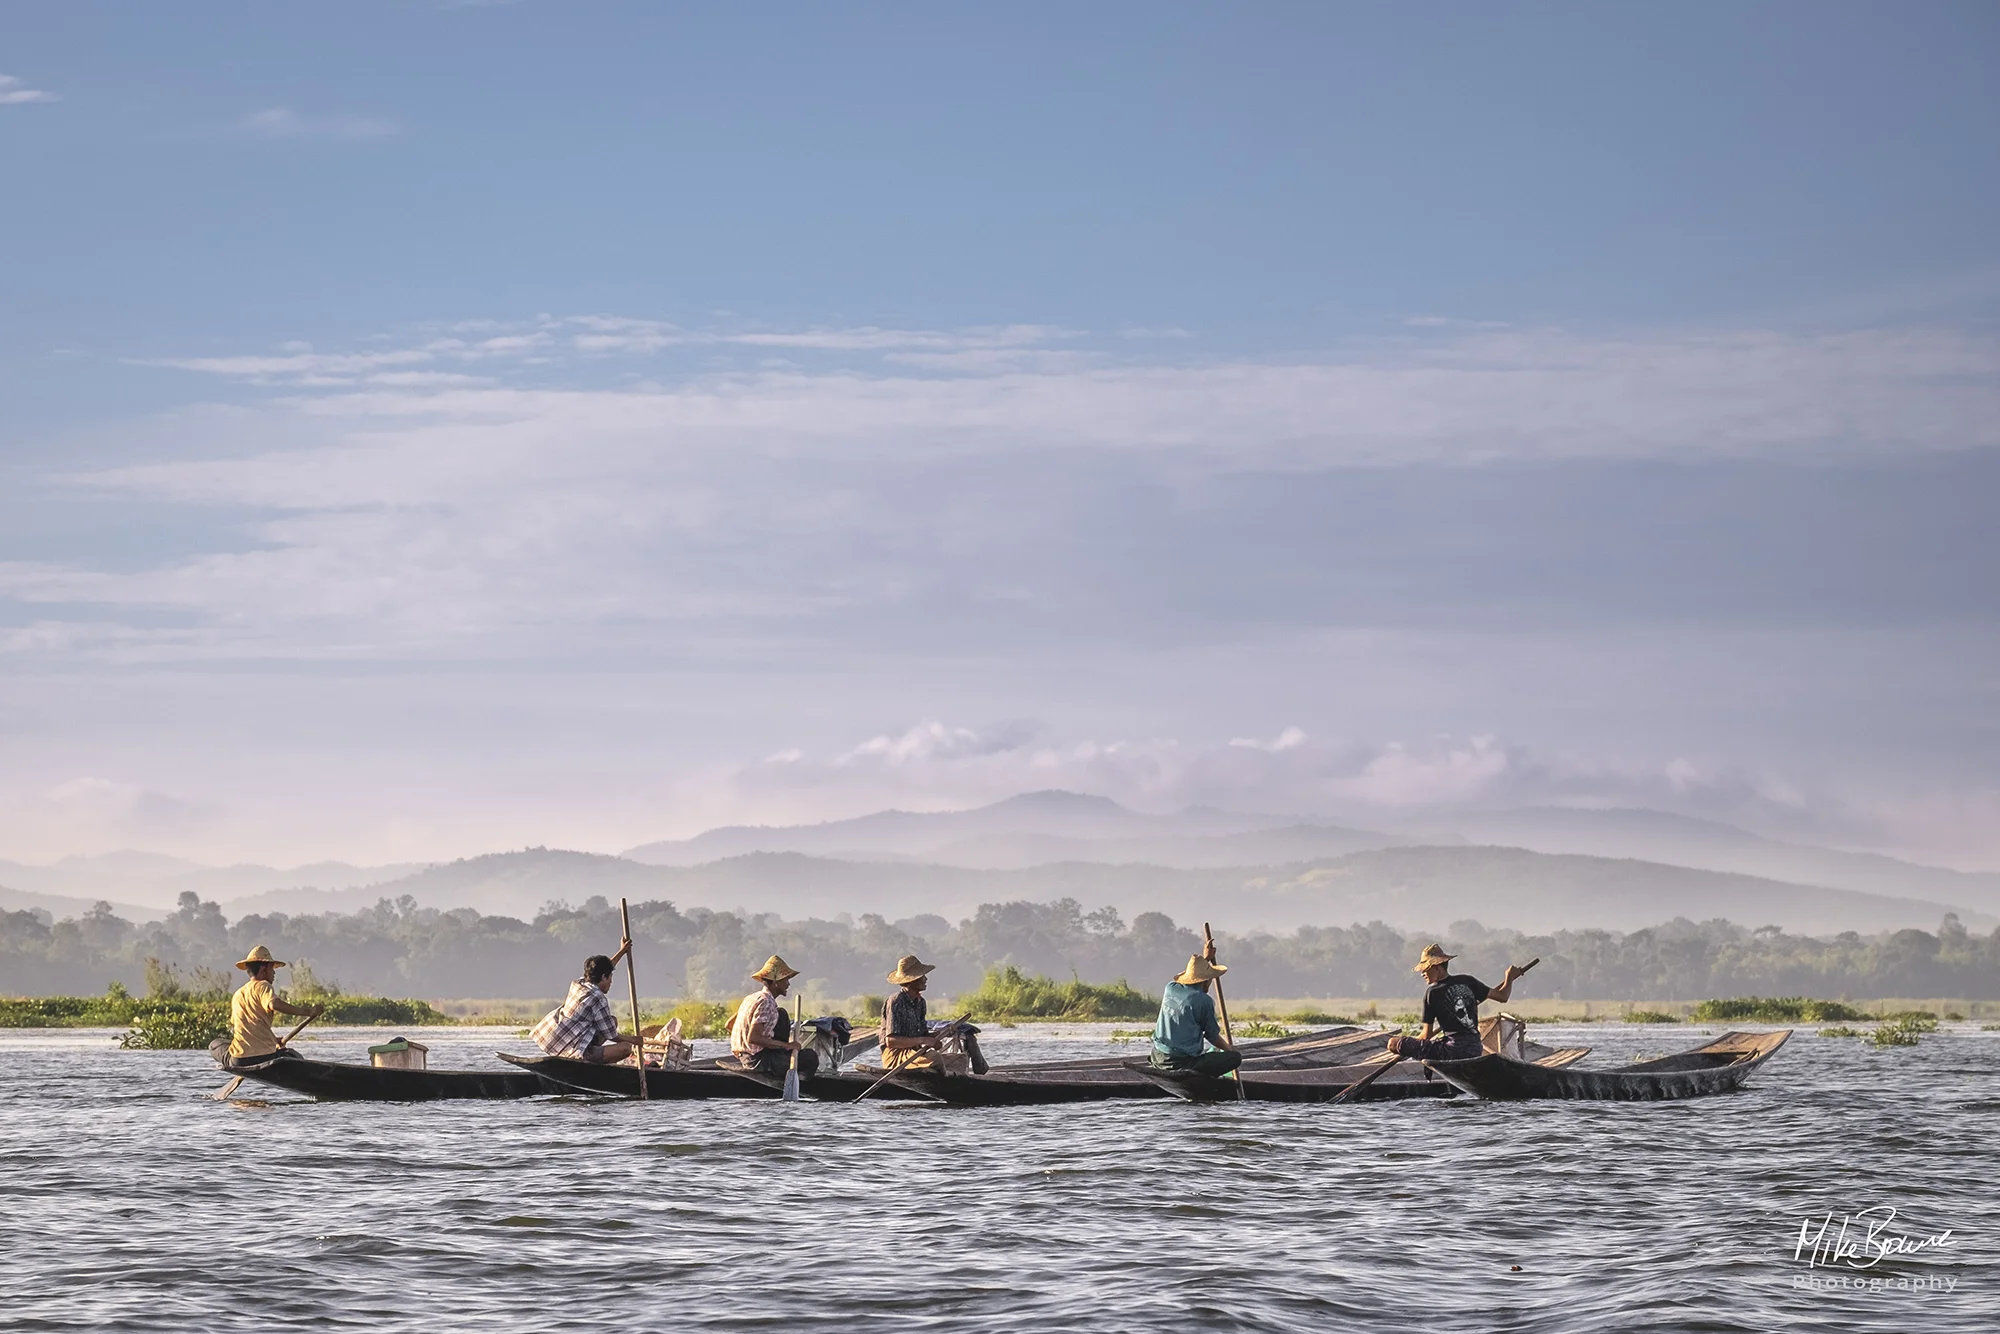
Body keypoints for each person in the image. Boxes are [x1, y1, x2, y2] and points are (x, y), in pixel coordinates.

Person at [1386, 943, 1527, 1062]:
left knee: (1392, 1043)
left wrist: (1410, 1048)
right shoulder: (1468, 981)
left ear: (1438, 968)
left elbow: (1425, 1036)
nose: (1423, 973)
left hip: (1452, 1050)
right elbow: (1503, 996)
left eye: (1426, 969)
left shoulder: (1432, 993)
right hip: (1475, 1048)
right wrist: (1509, 977)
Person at [530, 940, 641, 1063]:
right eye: (610, 978)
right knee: (626, 1048)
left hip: (550, 1039)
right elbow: (612, 1036)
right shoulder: (598, 998)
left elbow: (604, 968)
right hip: (569, 1047)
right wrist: (635, 1040)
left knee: (612, 1021)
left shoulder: (579, 983)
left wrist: (622, 951)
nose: (611, 982)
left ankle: (587, 1056)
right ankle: (583, 1060)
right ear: (604, 977)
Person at [879, 954, 979, 1075]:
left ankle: (943, 1082)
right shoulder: (896, 1001)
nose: (925, 979)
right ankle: (940, 1079)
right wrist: (923, 1040)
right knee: (934, 1058)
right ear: (912, 980)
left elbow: (924, 1035)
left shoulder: (920, 1002)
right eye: (922, 976)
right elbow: (891, 1041)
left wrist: (943, 1032)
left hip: (915, 1054)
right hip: (896, 1057)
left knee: (961, 1060)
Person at [227, 945, 324, 1068]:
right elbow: (274, 1004)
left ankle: (232, 1063)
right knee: (294, 1056)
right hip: (264, 1056)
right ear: (263, 970)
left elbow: (252, 1025)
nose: (273, 973)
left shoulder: (238, 994)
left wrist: (273, 1040)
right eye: (272, 969)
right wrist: (308, 1011)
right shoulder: (263, 986)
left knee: (215, 1045)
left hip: (238, 1059)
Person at [1149, 954, 1241, 1078]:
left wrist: (1205, 958)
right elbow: (1212, 1036)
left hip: (1157, 1056)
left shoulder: (1170, 988)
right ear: (1205, 980)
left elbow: (1194, 973)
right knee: (1234, 1058)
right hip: (1181, 1062)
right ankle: (1199, 1078)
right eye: (1210, 979)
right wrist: (1230, 1049)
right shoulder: (1204, 1001)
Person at [729, 955, 819, 1077]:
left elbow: (729, 1025)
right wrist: (787, 1045)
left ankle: (782, 1061)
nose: (788, 984)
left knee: (781, 1013)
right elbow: (754, 1038)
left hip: (746, 1057)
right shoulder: (766, 1002)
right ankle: (793, 1080)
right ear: (776, 982)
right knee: (810, 1057)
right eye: (786, 980)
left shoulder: (752, 997)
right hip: (758, 1061)